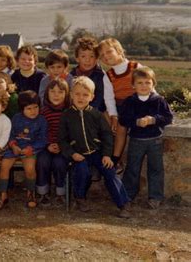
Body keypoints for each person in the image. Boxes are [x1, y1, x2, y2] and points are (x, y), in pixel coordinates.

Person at [58, 76, 131, 218]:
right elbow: (62, 140)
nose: (81, 98)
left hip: (97, 153)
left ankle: (123, 203)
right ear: (71, 95)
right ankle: (80, 198)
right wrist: (72, 154)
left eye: (85, 95)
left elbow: (107, 135)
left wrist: (106, 155)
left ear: (92, 97)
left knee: (110, 172)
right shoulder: (66, 116)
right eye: (77, 94)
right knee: (82, 171)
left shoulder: (96, 114)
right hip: (78, 154)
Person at [120, 67, 173, 209]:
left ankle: (155, 197)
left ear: (153, 84)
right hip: (136, 140)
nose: (144, 86)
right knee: (132, 168)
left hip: (155, 140)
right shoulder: (130, 101)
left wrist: (153, 120)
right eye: (140, 83)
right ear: (133, 85)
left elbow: (168, 117)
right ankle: (127, 196)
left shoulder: (159, 100)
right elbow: (123, 119)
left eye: (147, 83)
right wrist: (136, 122)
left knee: (156, 169)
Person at [0, 91, 47, 210]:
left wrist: (31, 148)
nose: (33, 111)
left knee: (30, 168)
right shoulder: (16, 118)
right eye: (29, 108)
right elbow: (10, 134)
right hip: (14, 147)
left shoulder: (41, 120)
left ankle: (30, 193)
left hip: (30, 148)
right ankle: (2, 194)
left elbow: (43, 139)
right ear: (22, 109)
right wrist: (13, 145)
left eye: (36, 107)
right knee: (5, 166)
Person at [98, 38, 143, 171]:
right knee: (107, 118)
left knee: (122, 126)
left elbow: (148, 85)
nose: (106, 56)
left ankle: (116, 158)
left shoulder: (135, 67)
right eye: (102, 56)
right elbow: (109, 98)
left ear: (119, 50)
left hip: (137, 104)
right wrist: (113, 115)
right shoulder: (108, 75)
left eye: (109, 51)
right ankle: (113, 155)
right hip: (120, 106)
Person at [71, 37, 118, 128]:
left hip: (96, 112)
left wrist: (86, 112)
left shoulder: (101, 76)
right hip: (75, 111)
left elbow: (100, 100)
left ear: (97, 58)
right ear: (77, 58)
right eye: (83, 56)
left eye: (91, 56)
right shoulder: (72, 75)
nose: (87, 60)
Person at [37, 79, 69, 207]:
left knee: (59, 163)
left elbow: (71, 133)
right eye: (53, 92)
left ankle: (60, 193)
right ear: (46, 94)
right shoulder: (43, 112)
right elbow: (39, 132)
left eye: (60, 92)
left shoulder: (69, 112)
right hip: (45, 145)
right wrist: (48, 145)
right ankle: (42, 192)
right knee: (42, 161)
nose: (56, 95)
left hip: (64, 147)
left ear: (66, 94)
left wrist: (62, 145)